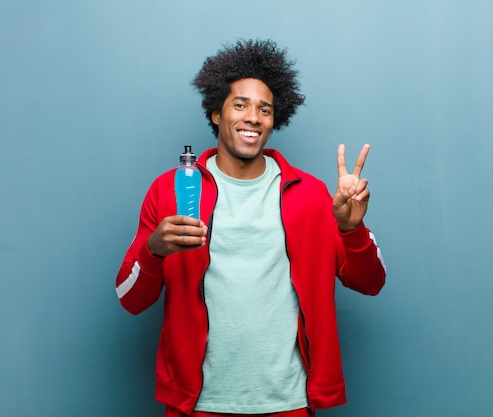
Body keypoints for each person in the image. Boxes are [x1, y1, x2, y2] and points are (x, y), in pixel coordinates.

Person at [115, 39, 386, 417]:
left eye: (265, 109)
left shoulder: (309, 194)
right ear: (215, 113)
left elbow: (370, 283)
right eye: (240, 105)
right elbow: (130, 298)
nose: (253, 118)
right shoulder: (171, 189)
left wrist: (351, 230)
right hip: (198, 404)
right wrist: (154, 251)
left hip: (287, 402)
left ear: (276, 119)